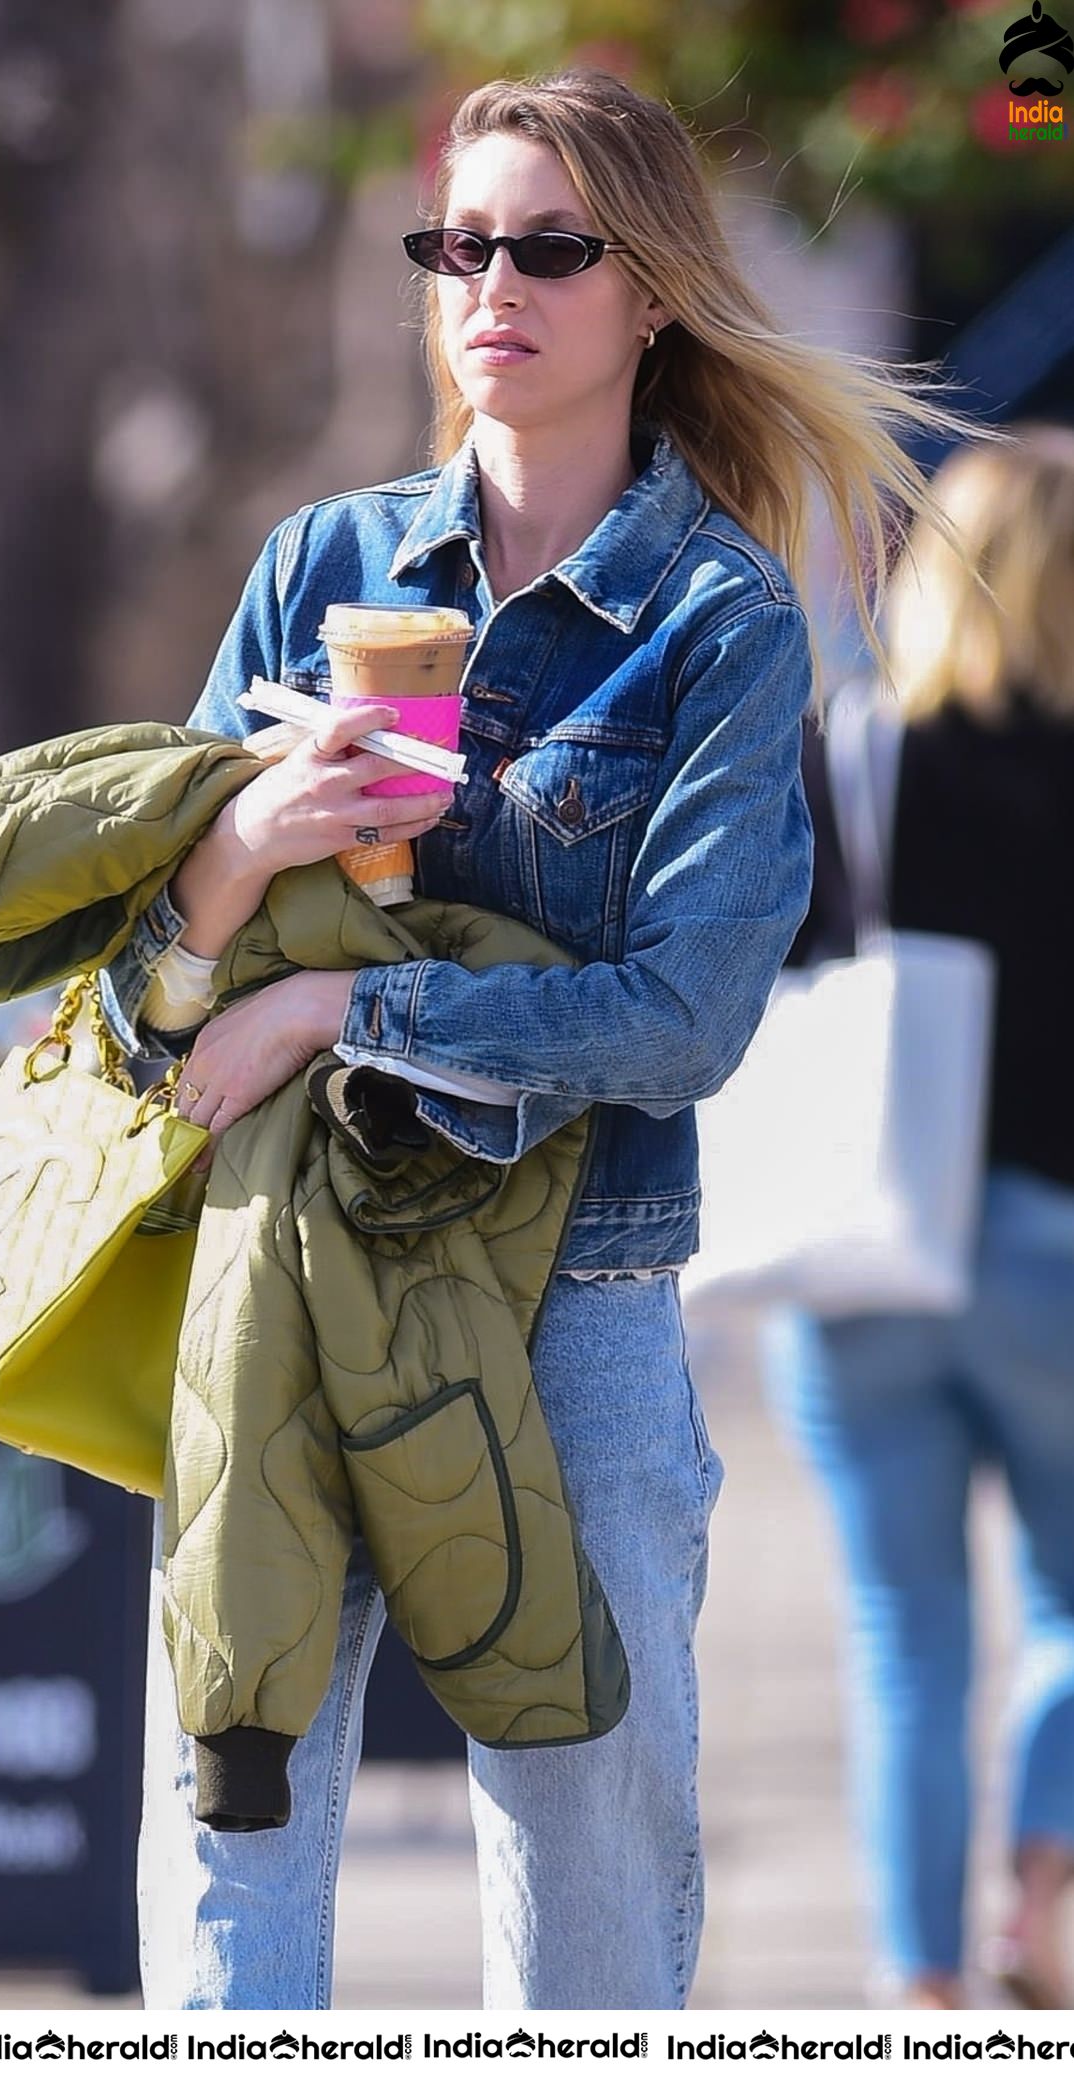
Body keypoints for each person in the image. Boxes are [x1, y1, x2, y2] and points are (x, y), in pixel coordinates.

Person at [101, 67, 972, 2010]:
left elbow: (684, 1018)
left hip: (579, 1278)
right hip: (285, 1263)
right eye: (457, 243)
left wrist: (349, 1000)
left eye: (548, 246)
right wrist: (242, 844)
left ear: (649, 288)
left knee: (586, 1834)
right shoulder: (317, 572)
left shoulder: (717, 623)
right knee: (229, 1803)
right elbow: (138, 1001)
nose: (489, 281)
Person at [768, 426, 1074, 2012]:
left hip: (866, 1245)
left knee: (901, 1630)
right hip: (1052, 1249)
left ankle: (923, 1984)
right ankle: (1043, 1885)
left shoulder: (854, 760)